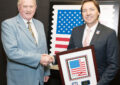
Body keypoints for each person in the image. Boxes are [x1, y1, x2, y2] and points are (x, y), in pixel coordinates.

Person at [1, 0, 54, 85]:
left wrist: (46, 71)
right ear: (19, 8)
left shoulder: (40, 24)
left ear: (35, 8)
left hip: (39, 76)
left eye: (31, 6)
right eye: (25, 6)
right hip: (20, 78)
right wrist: (39, 58)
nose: (28, 10)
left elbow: (44, 49)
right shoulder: (8, 24)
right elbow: (12, 52)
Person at [67, 0, 119, 85]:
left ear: (98, 12)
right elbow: (69, 54)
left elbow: (113, 65)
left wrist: (99, 83)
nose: (88, 13)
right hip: (76, 81)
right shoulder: (75, 31)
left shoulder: (109, 33)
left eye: (92, 9)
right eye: (84, 10)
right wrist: (53, 59)